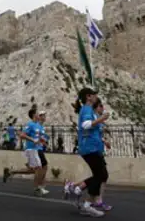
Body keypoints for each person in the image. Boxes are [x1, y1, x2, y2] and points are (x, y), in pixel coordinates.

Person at [63, 88, 111, 217]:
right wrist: (101, 119)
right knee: (100, 175)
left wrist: (103, 140)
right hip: (89, 148)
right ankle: (86, 203)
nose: (96, 97)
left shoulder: (88, 109)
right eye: (94, 95)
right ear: (88, 96)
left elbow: (92, 128)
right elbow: (85, 125)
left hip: (93, 147)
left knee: (100, 175)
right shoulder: (86, 109)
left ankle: (78, 191)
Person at [3, 109, 50, 196]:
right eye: (37, 114)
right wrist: (33, 140)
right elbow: (22, 135)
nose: (39, 116)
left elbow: (38, 137)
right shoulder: (30, 124)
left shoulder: (37, 125)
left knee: (32, 170)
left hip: (36, 149)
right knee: (39, 168)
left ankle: (11, 172)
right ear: (34, 115)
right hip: (31, 149)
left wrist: (44, 142)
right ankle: (38, 188)